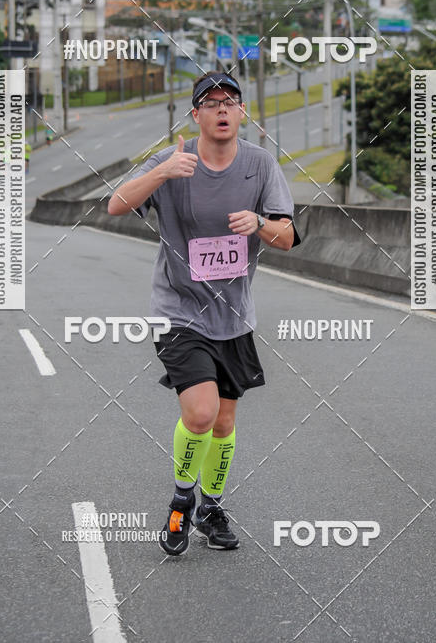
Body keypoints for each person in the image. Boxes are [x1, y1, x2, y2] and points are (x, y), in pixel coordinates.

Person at [108, 71, 299, 557]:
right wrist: (162, 172)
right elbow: (113, 205)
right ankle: (180, 500)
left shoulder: (260, 166)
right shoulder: (173, 161)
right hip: (178, 311)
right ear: (195, 115)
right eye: (210, 102)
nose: (221, 109)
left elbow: (290, 237)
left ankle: (211, 507)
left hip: (234, 316)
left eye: (229, 101)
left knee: (224, 423)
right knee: (200, 412)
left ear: (241, 113)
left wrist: (259, 223)